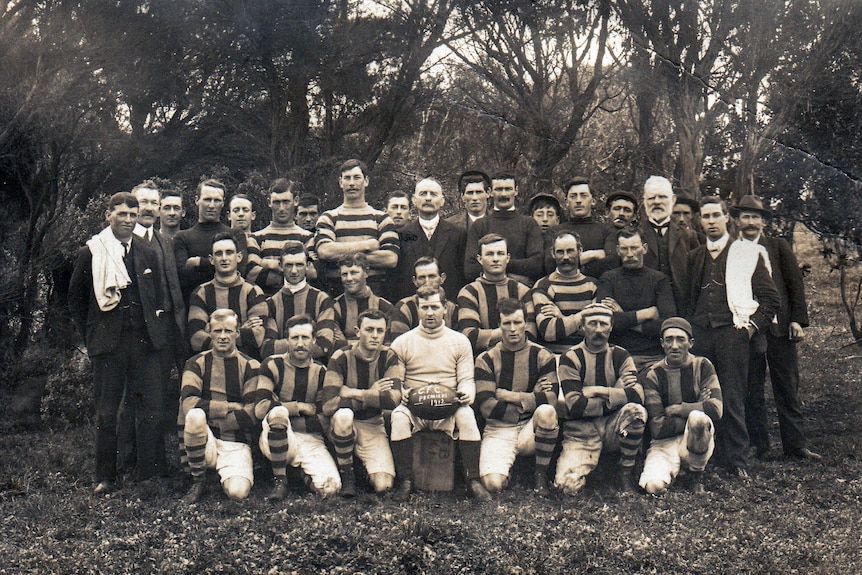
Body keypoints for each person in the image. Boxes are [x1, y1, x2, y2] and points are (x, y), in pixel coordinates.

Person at [69, 192, 168, 494]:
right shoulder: (93, 252)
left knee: (150, 407)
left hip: (143, 341)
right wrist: (92, 337)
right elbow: (75, 299)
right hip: (109, 344)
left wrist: (155, 330)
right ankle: (105, 477)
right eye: (121, 214)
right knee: (106, 411)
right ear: (108, 215)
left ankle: (146, 473)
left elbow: (157, 296)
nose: (127, 220)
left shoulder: (146, 251)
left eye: (132, 215)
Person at [685, 196, 780, 478]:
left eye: (716, 215)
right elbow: (689, 298)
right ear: (699, 221)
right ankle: (705, 454)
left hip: (732, 333)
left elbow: (771, 299)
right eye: (706, 216)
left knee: (733, 394)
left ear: (728, 218)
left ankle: (737, 459)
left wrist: (750, 328)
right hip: (702, 333)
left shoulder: (746, 253)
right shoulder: (695, 257)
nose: (711, 221)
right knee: (703, 394)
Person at [732, 196, 821, 461]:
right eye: (745, 217)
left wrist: (796, 319)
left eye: (755, 217)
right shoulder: (733, 250)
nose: (750, 222)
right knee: (752, 388)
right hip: (750, 328)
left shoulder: (777, 246)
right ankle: (759, 445)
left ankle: (795, 445)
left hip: (780, 329)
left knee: (787, 386)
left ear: (764, 222)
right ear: (737, 221)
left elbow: (794, 284)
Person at [389, 286, 491, 501]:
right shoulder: (402, 342)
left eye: (434, 307)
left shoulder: (459, 341)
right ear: (417, 309)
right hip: (415, 408)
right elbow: (396, 381)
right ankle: (405, 481)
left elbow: (466, 379)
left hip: (448, 407)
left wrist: (465, 394)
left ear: (445, 308)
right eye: (424, 307)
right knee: (398, 417)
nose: (429, 313)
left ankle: (473, 479)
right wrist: (403, 393)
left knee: (467, 415)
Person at [120, 181, 188, 476]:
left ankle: (155, 462)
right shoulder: (123, 243)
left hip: (164, 331)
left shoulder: (163, 241)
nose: (149, 208)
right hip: (135, 335)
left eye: (154, 203)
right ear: (133, 209)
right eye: (142, 203)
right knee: (132, 400)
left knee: (155, 399)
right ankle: (129, 463)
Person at [555, 303, 646, 495]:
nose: (598, 330)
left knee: (636, 412)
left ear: (611, 327)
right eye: (592, 324)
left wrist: (596, 390)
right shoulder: (570, 358)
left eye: (603, 324)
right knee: (566, 487)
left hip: (612, 426)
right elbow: (576, 405)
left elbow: (638, 395)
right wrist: (616, 391)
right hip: (581, 430)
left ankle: (625, 472)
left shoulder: (620, 355)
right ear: (583, 327)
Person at [475, 299, 559, 496]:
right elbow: (487, 407)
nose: (513, 329)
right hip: (499, 428)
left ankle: (540, 476)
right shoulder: (486, 359)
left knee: (547, 412)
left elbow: (551, 400)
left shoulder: (543, 355)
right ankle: (508, 471)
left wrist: (511, 396)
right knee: (493, 485)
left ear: (525, 324)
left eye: (517, 322)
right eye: (507, 323)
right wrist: (532, 397)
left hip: (530, 426)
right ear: (499, 325)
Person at [256, 315, 340, 499]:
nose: (300, 344)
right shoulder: (272, 364)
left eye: (305, 338)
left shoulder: (321, 372)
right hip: (276, 433)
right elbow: (261, 408)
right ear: (287, 340)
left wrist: (281, 405)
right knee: (278, 412)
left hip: (310, 437)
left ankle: (297, 475)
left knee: (331, 488)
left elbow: (321, 418)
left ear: (314, 341)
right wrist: (299, 407)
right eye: (295, 338)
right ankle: (280, 481)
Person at [179, 309, 260, 503]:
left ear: (237, 333)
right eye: (217, 331)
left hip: (235, 442)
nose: (223, 337)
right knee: (194, 416)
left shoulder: (251, 366)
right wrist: (228, 406)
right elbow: (189, 403)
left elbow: (250, 412)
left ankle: (221, 473)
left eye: (228, 331)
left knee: (238, 493)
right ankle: (198, 478)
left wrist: (216, 417)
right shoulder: (195, 363)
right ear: (209, 332)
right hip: (204, 437)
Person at [320, 309, 401, 496]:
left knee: (384, 485)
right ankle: (347, 477)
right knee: (343, 415)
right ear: (357, 331)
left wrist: (357, 393)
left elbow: (393, 399)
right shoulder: (340, 356)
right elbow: (329, 404)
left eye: (380, 331)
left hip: (373, 423)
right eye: (369, 330)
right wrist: (374, 395)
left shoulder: (389, 356)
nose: (374, 335)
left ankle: (359, 467)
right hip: (345, 422)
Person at [639, 318, 723, 495]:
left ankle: (694, 475)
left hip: (694, 435)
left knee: (699, 420)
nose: (674, 346)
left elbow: (716, 409)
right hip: (663, 442)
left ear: (691, 343)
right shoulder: (653, 374)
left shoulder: (703, 366)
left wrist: (679, 409)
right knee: (653, 487)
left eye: (680, 339)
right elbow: (657, 427)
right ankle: (674, 472)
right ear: (662, 344)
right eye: (669, 339)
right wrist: (698, 404)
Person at [315, 159, 399, 297]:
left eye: (357, 177)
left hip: (374, 291)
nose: (352, 183)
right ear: (341, 182)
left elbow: (390, 258)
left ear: (366, 181)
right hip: (337, 290)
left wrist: (340, 252)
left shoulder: (382, 219)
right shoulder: (328, 218)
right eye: (347, 178)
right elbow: (324, 251)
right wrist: (367, 245)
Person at [596, 227, 677, 371]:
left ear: (644, 248)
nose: (630, 254)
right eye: (625, 249)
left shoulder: (659, 280)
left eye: (634, 248)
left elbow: (667, 324)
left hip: (653, 357)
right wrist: (645, 314)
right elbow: (604, 322)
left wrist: (622, 315)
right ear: (618, 250)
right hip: (616, 356)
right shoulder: (608, 278)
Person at [187, 233, 268, 358]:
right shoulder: (201, 293)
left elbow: (256, 337)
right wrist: (239, 330)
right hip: (211, 365)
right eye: (219, 253)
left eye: (229, 252)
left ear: (239, 257)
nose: (224, 258)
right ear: (211, 259)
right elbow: (196, 339)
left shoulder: (253, 291)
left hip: (246, 365)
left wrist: (213, 332)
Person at [457, 234, 537, 354]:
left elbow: (530, 331)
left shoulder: (522, 291)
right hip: (483, 360)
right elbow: (469, 335)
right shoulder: (469, 292)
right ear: (479, 259)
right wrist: (512, 331)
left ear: (508, 258)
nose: (495, 259)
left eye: (500, 253)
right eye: (489, 254)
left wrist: (491, 335)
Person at [260, 241, 340, 360]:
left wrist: (283, 345)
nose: (294, 271)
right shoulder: (271, 303)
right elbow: (267, 348)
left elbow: (323, 344)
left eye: (299, 264)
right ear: (281, 266)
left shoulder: (322, 300)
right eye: (289, 265)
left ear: (307, 265)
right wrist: (306, 345)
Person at [464, 173, 544, 286]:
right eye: (498, 189)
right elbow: (470, 269)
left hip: (521, 293)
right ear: (490, 192)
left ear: (516, 191)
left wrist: (493, 265)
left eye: (508, 189)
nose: (503, 194)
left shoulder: (529, 224)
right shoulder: (480, 225)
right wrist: (511, 277)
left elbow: (536, 265)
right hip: (487, 291)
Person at [394, 177, 467, 302]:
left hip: (448, 306)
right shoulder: (402, 235)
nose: (428, 198)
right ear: (414, 200)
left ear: (442, 200)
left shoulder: (458, 234)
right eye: (423, 194)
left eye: (433, 194)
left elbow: (462, 276)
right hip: (411, 307)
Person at [531, 231, 597, 354]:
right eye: (560, 252)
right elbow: (548, 332)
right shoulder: (543, 286)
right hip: (554, 356)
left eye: (570, 251)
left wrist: (561, 317)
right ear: (553, 254)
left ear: (580, 250)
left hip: (586, 356)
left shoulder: (592, 286)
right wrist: (584, 317)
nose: (565, 257)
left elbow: (597, 332)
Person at [638, 176, 697, 310]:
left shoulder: (688, 235)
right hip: (646, 306)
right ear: (644, 201)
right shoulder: (635, 234)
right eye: (651, 198)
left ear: (673, 200)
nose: (657, 202)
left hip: (681, 306)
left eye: (662, 197)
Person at [247, 179, 314, 296]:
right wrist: (294, 273)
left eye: (286, 201)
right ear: (269, 202)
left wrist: (264, 264)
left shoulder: (307, 237)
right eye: (277, 202)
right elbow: (252, 274)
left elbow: (312, 272)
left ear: (296, 201)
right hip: (268, 303)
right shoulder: (256, 238)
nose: (281, 208)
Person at [174, 179, 232, 304]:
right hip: (194, 304)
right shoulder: (182, 237)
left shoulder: (234, 234)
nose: (211, 205)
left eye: (216, 200)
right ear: (197, 200)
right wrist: (220, 266)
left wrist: (199, 262)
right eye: (207, 199)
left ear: (223, 203)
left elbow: (239, 270)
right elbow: (183, 277)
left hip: (230, 303)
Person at [545, 177, 617, 278]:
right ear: (566, 201)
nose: (578, 200)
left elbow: (613, 263)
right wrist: (591, 255)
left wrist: (567, 264)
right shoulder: (554, 232)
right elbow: (549, 266)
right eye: (573, 196)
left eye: (583, 196)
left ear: (593, 200)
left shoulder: (607, 230)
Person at [332, 252, 394, 348]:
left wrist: (348, 342)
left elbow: (386, 344)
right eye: (344, 274)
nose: (349, 278)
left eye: (354, 273)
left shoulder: (385, 307)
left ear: (366, 273)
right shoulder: (334, 306)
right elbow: (335, 345)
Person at [390, 257, 459, 339]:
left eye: (432, 276)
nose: (427, 282)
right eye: (422, 277)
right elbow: (398, 344)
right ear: (415, 281)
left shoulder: (453, 310)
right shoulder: (404, 308)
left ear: (442, 278)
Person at [446, 169, 491, 237]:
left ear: (488, 193)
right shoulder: (449, 226)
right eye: (470, 193)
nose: (474, 198)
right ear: (462, 196)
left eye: (479, 192)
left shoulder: (499, 222)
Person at [227, 193, 258, 277]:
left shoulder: (260, 239)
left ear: (253, 215)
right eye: (236, 210)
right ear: (229, 216)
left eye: (245, 210)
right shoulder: (222, 241)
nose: (241, 214)